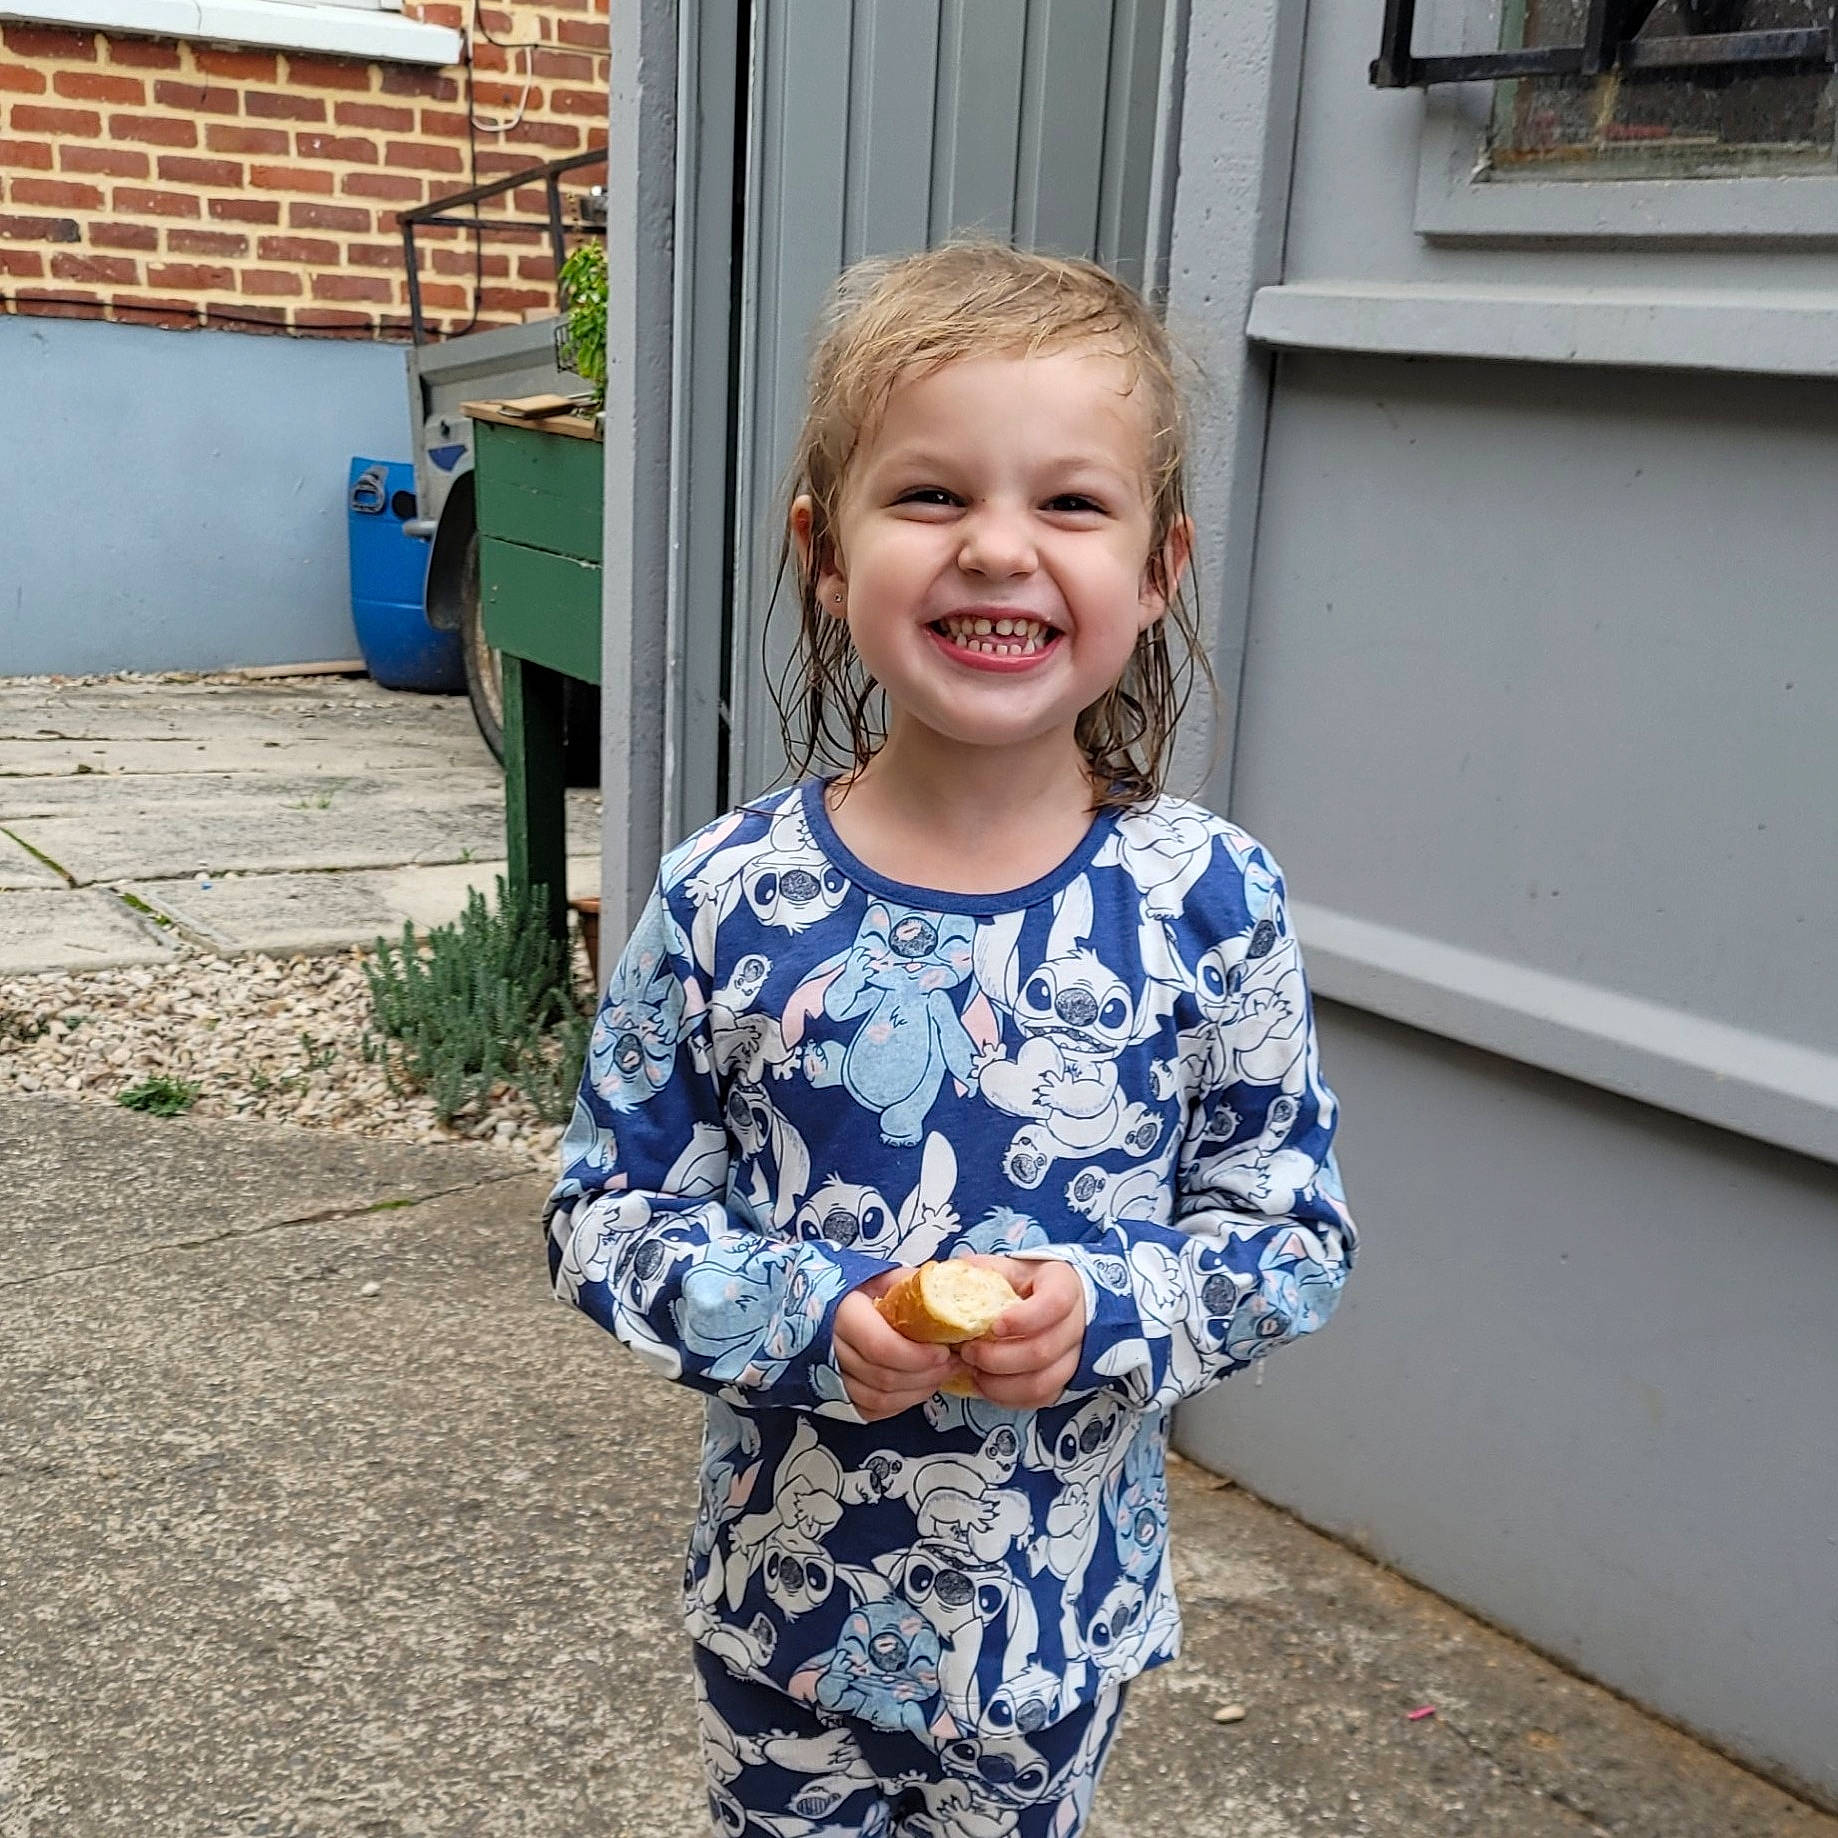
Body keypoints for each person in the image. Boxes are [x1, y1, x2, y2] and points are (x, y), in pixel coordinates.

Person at [543, 241, 1358, 1838]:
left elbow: (1292, 1238)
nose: (997, 549)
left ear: (1158, 567)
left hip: (1052, 1629)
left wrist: (1109, 1307)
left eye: (1068, 503)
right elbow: (602, 1213)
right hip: (784, 1622)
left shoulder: (1206, 897)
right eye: (928, 497)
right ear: (825, 555)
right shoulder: (732, 896)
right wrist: (804, 1313)